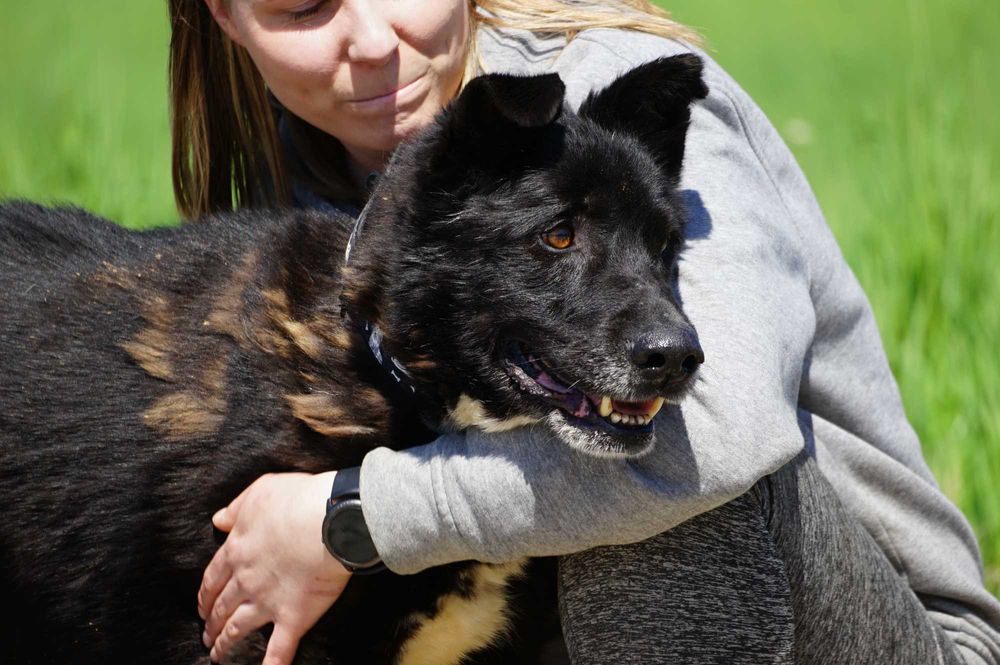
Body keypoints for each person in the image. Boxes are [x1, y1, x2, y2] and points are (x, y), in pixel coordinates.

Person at [166, 1, 1000, 663]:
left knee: (644, 465)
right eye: (305, 9)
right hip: (565, 634)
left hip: (870, 629)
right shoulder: (307, 176)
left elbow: (723, 438)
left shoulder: (622, 113)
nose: (373, 39)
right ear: (227, 16)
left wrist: (353, 518)